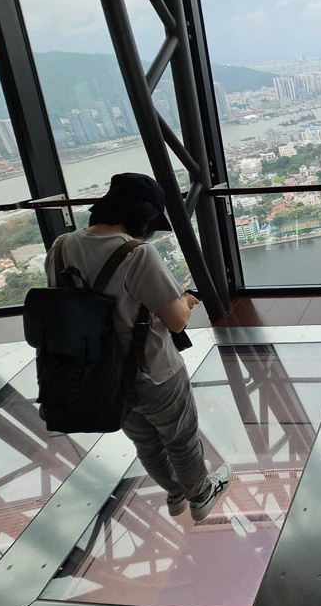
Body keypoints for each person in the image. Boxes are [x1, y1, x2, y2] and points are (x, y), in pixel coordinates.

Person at [45, 172, 232, 521]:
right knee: (180, 438)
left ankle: (175, 493)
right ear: (143, 218)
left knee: (146, 442)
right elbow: (175, 319)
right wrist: (187, 301)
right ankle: (201, 495)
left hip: (99, 373)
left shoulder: (60, 248)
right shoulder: (136, 253)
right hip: (154, 370)